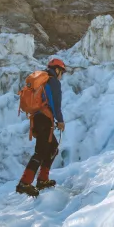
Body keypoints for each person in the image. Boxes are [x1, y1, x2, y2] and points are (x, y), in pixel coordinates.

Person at [16, 58, 66, 197]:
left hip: (37, 119)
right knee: (41, 151)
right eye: (61, 72)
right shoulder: (52, 81)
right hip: (45, 119)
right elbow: (56, 104)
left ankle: (42, 179)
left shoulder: (42, 80)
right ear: (57, 70)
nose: (61, 75)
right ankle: (24, 182)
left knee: (52, 147)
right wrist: (60, 120)